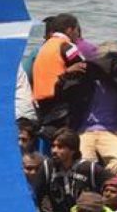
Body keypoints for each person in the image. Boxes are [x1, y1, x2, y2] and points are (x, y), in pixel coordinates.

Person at [59, 45, 117, 175]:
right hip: (84, 132)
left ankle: (111, 186)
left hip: (112, 132)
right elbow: (61, 95)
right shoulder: (84, 80)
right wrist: (66, 74)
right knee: (83, 165)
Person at [33, 128, 112, 212]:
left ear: (73, 150)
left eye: (60, 147)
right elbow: (41, 194)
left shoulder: (89, 168)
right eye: (53, 146)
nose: (54, 150)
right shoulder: (47, 167)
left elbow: (116, 184)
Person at [32, 14, 86, 142]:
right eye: (77, 30)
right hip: (60, 104)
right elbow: (83, 67)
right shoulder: (66, 46)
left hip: (42, 103)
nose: (78, 35)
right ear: (70, 30)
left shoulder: (44, 47)